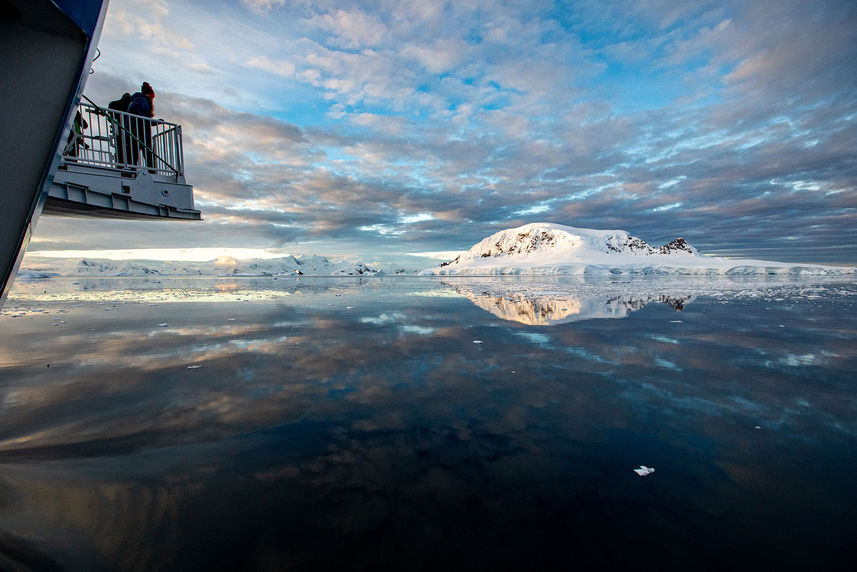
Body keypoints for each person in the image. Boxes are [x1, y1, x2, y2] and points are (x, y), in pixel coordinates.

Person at [127, 82, 156, 170]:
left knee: (134, 154)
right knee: (147, 154)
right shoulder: (142, 101)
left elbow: (143, 118)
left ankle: (132, 170)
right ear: (148, 95)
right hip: (140, 132)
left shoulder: (137, 100)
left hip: (137, 131)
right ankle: (151, 171)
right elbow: (143, 118)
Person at [107, 92, 132, 165]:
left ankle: (120, 164)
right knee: (130, 148)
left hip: (118, 128)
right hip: (129, 129)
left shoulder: (113, 104)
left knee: (119, 147)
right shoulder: (131, 105)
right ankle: (130, 165)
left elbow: (109, 118)